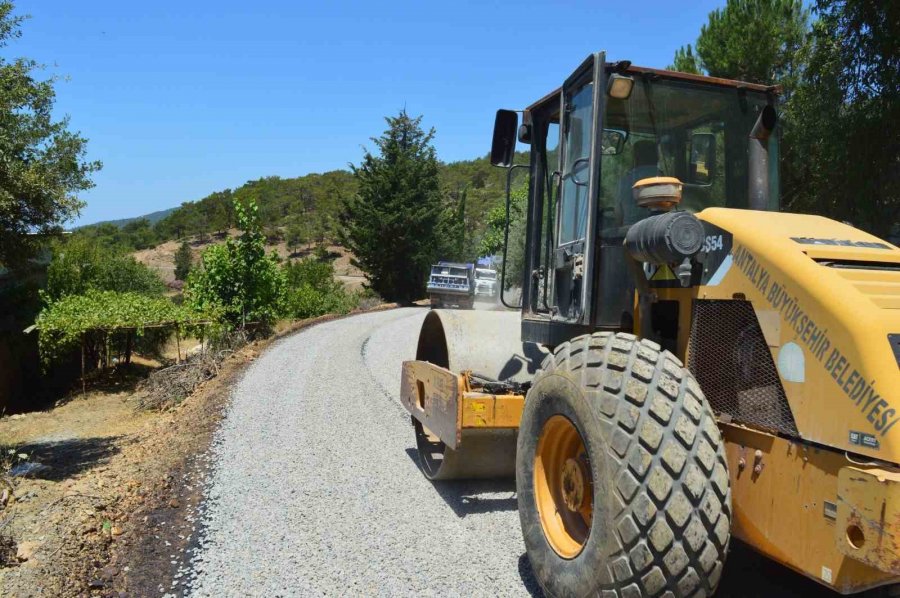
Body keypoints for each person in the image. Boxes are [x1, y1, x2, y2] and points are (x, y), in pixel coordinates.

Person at [616, 140, 661, 226]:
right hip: (660, 231)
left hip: (630, 232)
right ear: (657, 157)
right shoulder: (664, 178)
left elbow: (618, 213)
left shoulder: (625, 181)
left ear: (635, 158)